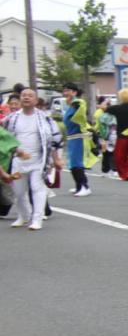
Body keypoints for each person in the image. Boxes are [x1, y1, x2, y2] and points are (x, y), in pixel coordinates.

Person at [2, 87, 63, 230]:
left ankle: (37, 219)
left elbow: (55, 139)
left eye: (30, 96)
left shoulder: (45, 118)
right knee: (18, 192)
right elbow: (4, 136)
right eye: (24, 95)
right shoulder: (12, 118)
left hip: (39, 160)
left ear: (36, 100)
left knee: (37, 188)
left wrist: (57, 159)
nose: (26, 98)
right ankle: (24, 216)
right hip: (19, 160)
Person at [60, 82, 97, 196]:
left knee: (77, 163)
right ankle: (78, 186)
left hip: (78, 137)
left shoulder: (78, 103)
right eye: (64, 90)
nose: (65, 93)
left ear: (74, 92)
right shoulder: (70, 105)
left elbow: (81, 113)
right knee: (72, 163)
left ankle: (84, 186)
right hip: (71, 137)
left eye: (68, 90)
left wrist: (74, 104)